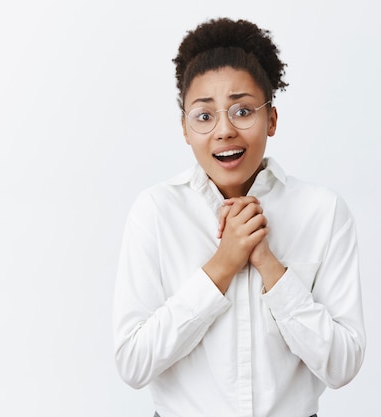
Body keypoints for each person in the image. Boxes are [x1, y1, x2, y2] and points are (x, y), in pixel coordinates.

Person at [113, 17, 366, 417]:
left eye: (243, 110)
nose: (224, 130)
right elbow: (133, 362)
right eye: (204, 115)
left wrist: (270, 267)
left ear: (272, 119)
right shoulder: (156, 212)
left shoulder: (323, 211)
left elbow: (342, 364)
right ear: (184, 128)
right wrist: (222, 266)